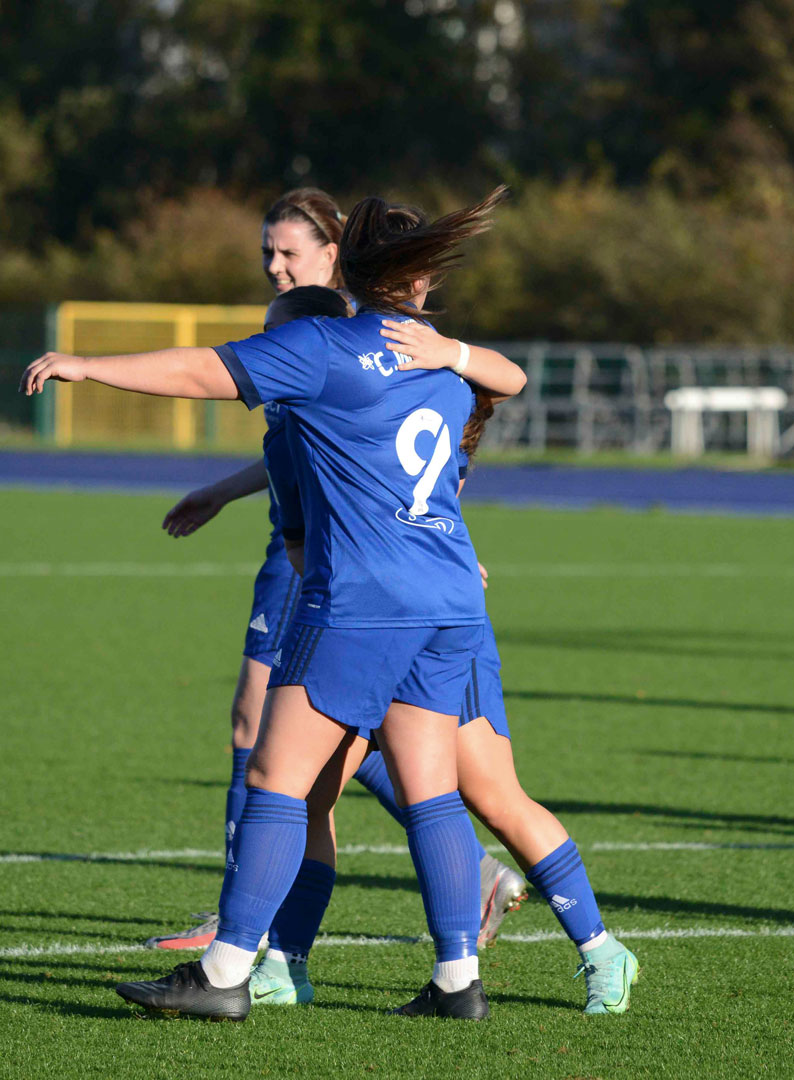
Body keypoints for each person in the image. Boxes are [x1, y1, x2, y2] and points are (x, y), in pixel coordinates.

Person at [24, 187, 518, 1021]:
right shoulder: (442, 357)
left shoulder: (324, 344)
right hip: (450, 598)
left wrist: (87, 365)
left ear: (348, 270)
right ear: (422, 279)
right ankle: (455, 980)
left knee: (275, 777)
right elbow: (503, 380)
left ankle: (221, 976)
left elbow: (200, 370)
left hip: (364, 595)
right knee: (429, 790)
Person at [147, 190, 527, 952]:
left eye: (289, 253)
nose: (274, 266)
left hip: (333, 562)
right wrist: (224, 491)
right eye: (267, 253)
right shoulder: (311, 336)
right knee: (341, 744)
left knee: (273, 739)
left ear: (335, 261)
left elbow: (395, 457)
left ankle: (241, 928)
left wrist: (84, 367)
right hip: (310, 549)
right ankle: (449, 920)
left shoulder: (338, 338)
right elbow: (301, 446)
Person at [250, 389, 641, 1015]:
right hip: (356, 623)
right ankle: (285, 964)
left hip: (428, 623)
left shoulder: (385, 401)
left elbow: (429, 510)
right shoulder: (315, 422)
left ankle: (601, 951)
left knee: (493, 795)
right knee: (311, 794)